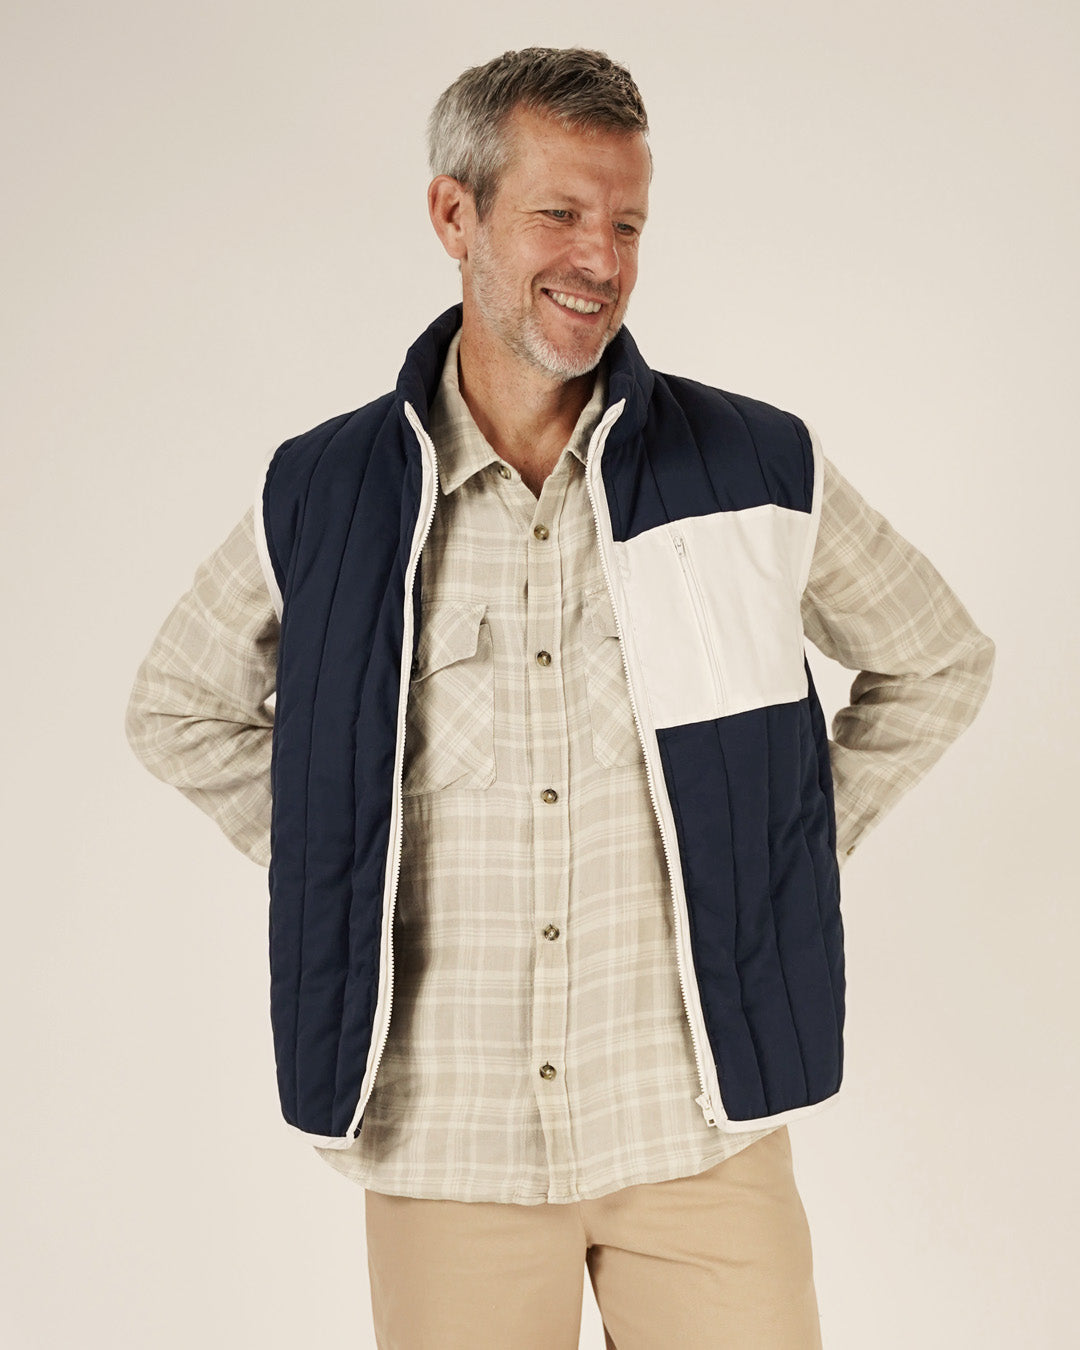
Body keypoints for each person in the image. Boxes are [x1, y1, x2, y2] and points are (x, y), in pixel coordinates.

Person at [125, 46, 994, 1350]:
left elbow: (937, 657)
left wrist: (781, 843)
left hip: (697, 1125)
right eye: (560, 212)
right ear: (453, 214)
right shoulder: (330, 490)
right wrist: (345, 854)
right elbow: (178, 706)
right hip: (447, 1141)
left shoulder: (755, 461)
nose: (601, 256)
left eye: (627, 221)